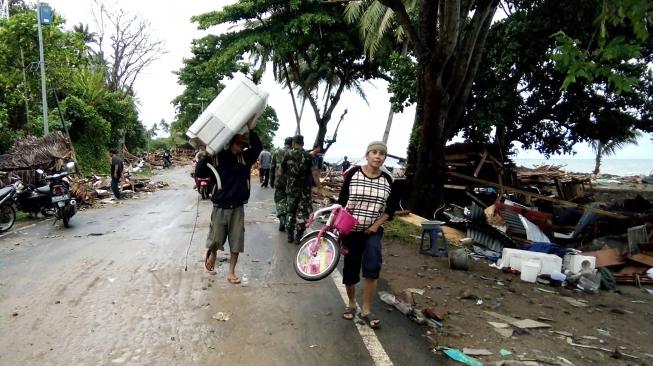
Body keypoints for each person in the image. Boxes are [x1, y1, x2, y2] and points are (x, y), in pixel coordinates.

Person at [338, 141, 396, 329]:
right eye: (374, 152)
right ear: (367, 154)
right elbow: (341, 202)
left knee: (372, 265)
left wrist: (376, 225)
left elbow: (390, 210)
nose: (378, 156)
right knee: (351, 268)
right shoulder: (353, 174)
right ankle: (352, 302)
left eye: (382, 154)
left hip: (372, 231)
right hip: (351, 231)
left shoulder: (387, 180)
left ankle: (367, 308)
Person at [204, 122, 262, 285]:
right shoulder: (217, 157)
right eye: (239, 144)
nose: (241, 147)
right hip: (220, 206)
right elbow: (201, 171)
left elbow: (257, 147)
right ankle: (213, 253)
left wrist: (252, 129)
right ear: (231, 143)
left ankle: (231, 272)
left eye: (243, 145)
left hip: (237, 207)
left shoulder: (245, 158)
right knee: (216, 239)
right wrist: (205, 155)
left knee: (236, 241)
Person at [282, 135, 316, 243]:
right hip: (304, 190)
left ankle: (290, 235)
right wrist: (318, 186)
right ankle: (299, 236)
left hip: (291, 189)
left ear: (293, 143)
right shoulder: (308, 156)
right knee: (302, 213)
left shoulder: (287, 154)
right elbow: (314, 172)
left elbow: (282, 170)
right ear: (303, 143)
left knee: (290, 211)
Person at [270, 137, 293, 232]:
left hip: (279, 181)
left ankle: (282, 219)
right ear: (292, 143)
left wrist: (271, 180)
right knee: (290, 201)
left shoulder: (277, 152)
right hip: (291, 182)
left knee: (280, 201)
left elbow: (272, 167)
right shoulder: (293, 153)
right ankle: (289, 221)